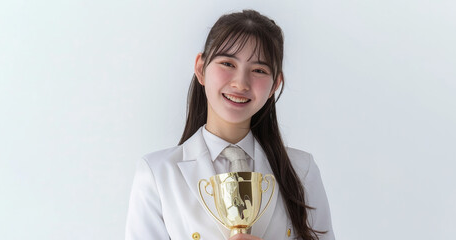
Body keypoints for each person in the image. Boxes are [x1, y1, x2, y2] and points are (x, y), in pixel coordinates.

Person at [125, 9, 335, 240]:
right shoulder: (157, 173)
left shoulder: (302, 170)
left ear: (275, 85)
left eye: (258, 70)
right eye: (227, 63)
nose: (240, 83)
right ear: (200, 69)